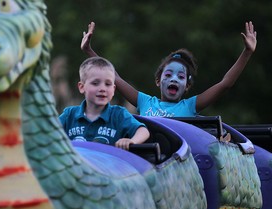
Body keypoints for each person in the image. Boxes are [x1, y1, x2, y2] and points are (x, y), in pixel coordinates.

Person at [81, 21, 257, 117]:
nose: (174, 79)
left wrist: (247, 52)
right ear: (158, 81)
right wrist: (88, 50)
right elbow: (114, 77)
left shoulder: (190, 106)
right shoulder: (145, 102)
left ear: (186, 86)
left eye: (181, 76)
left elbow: (225, 84)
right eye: (169, 74)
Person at [59, 56, 150, 150]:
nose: (102, 89)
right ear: (82, 87)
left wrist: (131, 141)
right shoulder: (69, 115)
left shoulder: (118, 115)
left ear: (114, 89)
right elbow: (49, 133)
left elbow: (143, 131)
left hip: (108, 164)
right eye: (95, 83)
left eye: (108, 84)